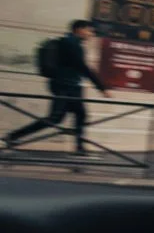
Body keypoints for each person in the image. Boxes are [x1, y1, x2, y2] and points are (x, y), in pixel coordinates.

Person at [5, 18, 104, 153]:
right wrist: (101, 87)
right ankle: (13, 136)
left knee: (80, 115)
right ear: (79, 30)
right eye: (89, 31)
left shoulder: (73, 44)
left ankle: (80, 148)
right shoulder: (70, 44)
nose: (91, 34)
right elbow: (83, 67)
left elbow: (80, 68)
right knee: (55, 118)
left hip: (72, 86)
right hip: (65, 86)